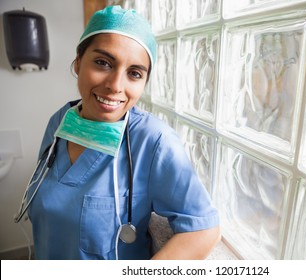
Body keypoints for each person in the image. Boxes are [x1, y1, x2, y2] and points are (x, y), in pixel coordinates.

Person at [22, 5, 220, 260]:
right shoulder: (61, 121)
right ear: (78, 62)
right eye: (103, 63)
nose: (116, 85)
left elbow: (204, 229)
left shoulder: (154, 141)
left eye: (134, 73)